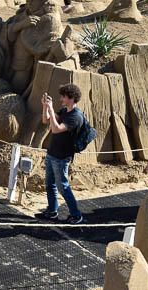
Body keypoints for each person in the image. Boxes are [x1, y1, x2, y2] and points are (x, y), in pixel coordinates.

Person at [38, 84, 84, 224]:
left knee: (63, 187)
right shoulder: (65, 111)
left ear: (71, 98)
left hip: (62, 158)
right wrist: (45, 106)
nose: (61, 99)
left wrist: (51, 108)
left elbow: (56, 129)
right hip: (52, 153)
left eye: (63, 96)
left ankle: (76, 215)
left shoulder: (76, 117)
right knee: (50, 184)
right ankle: (52, 211)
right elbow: (46, 120)